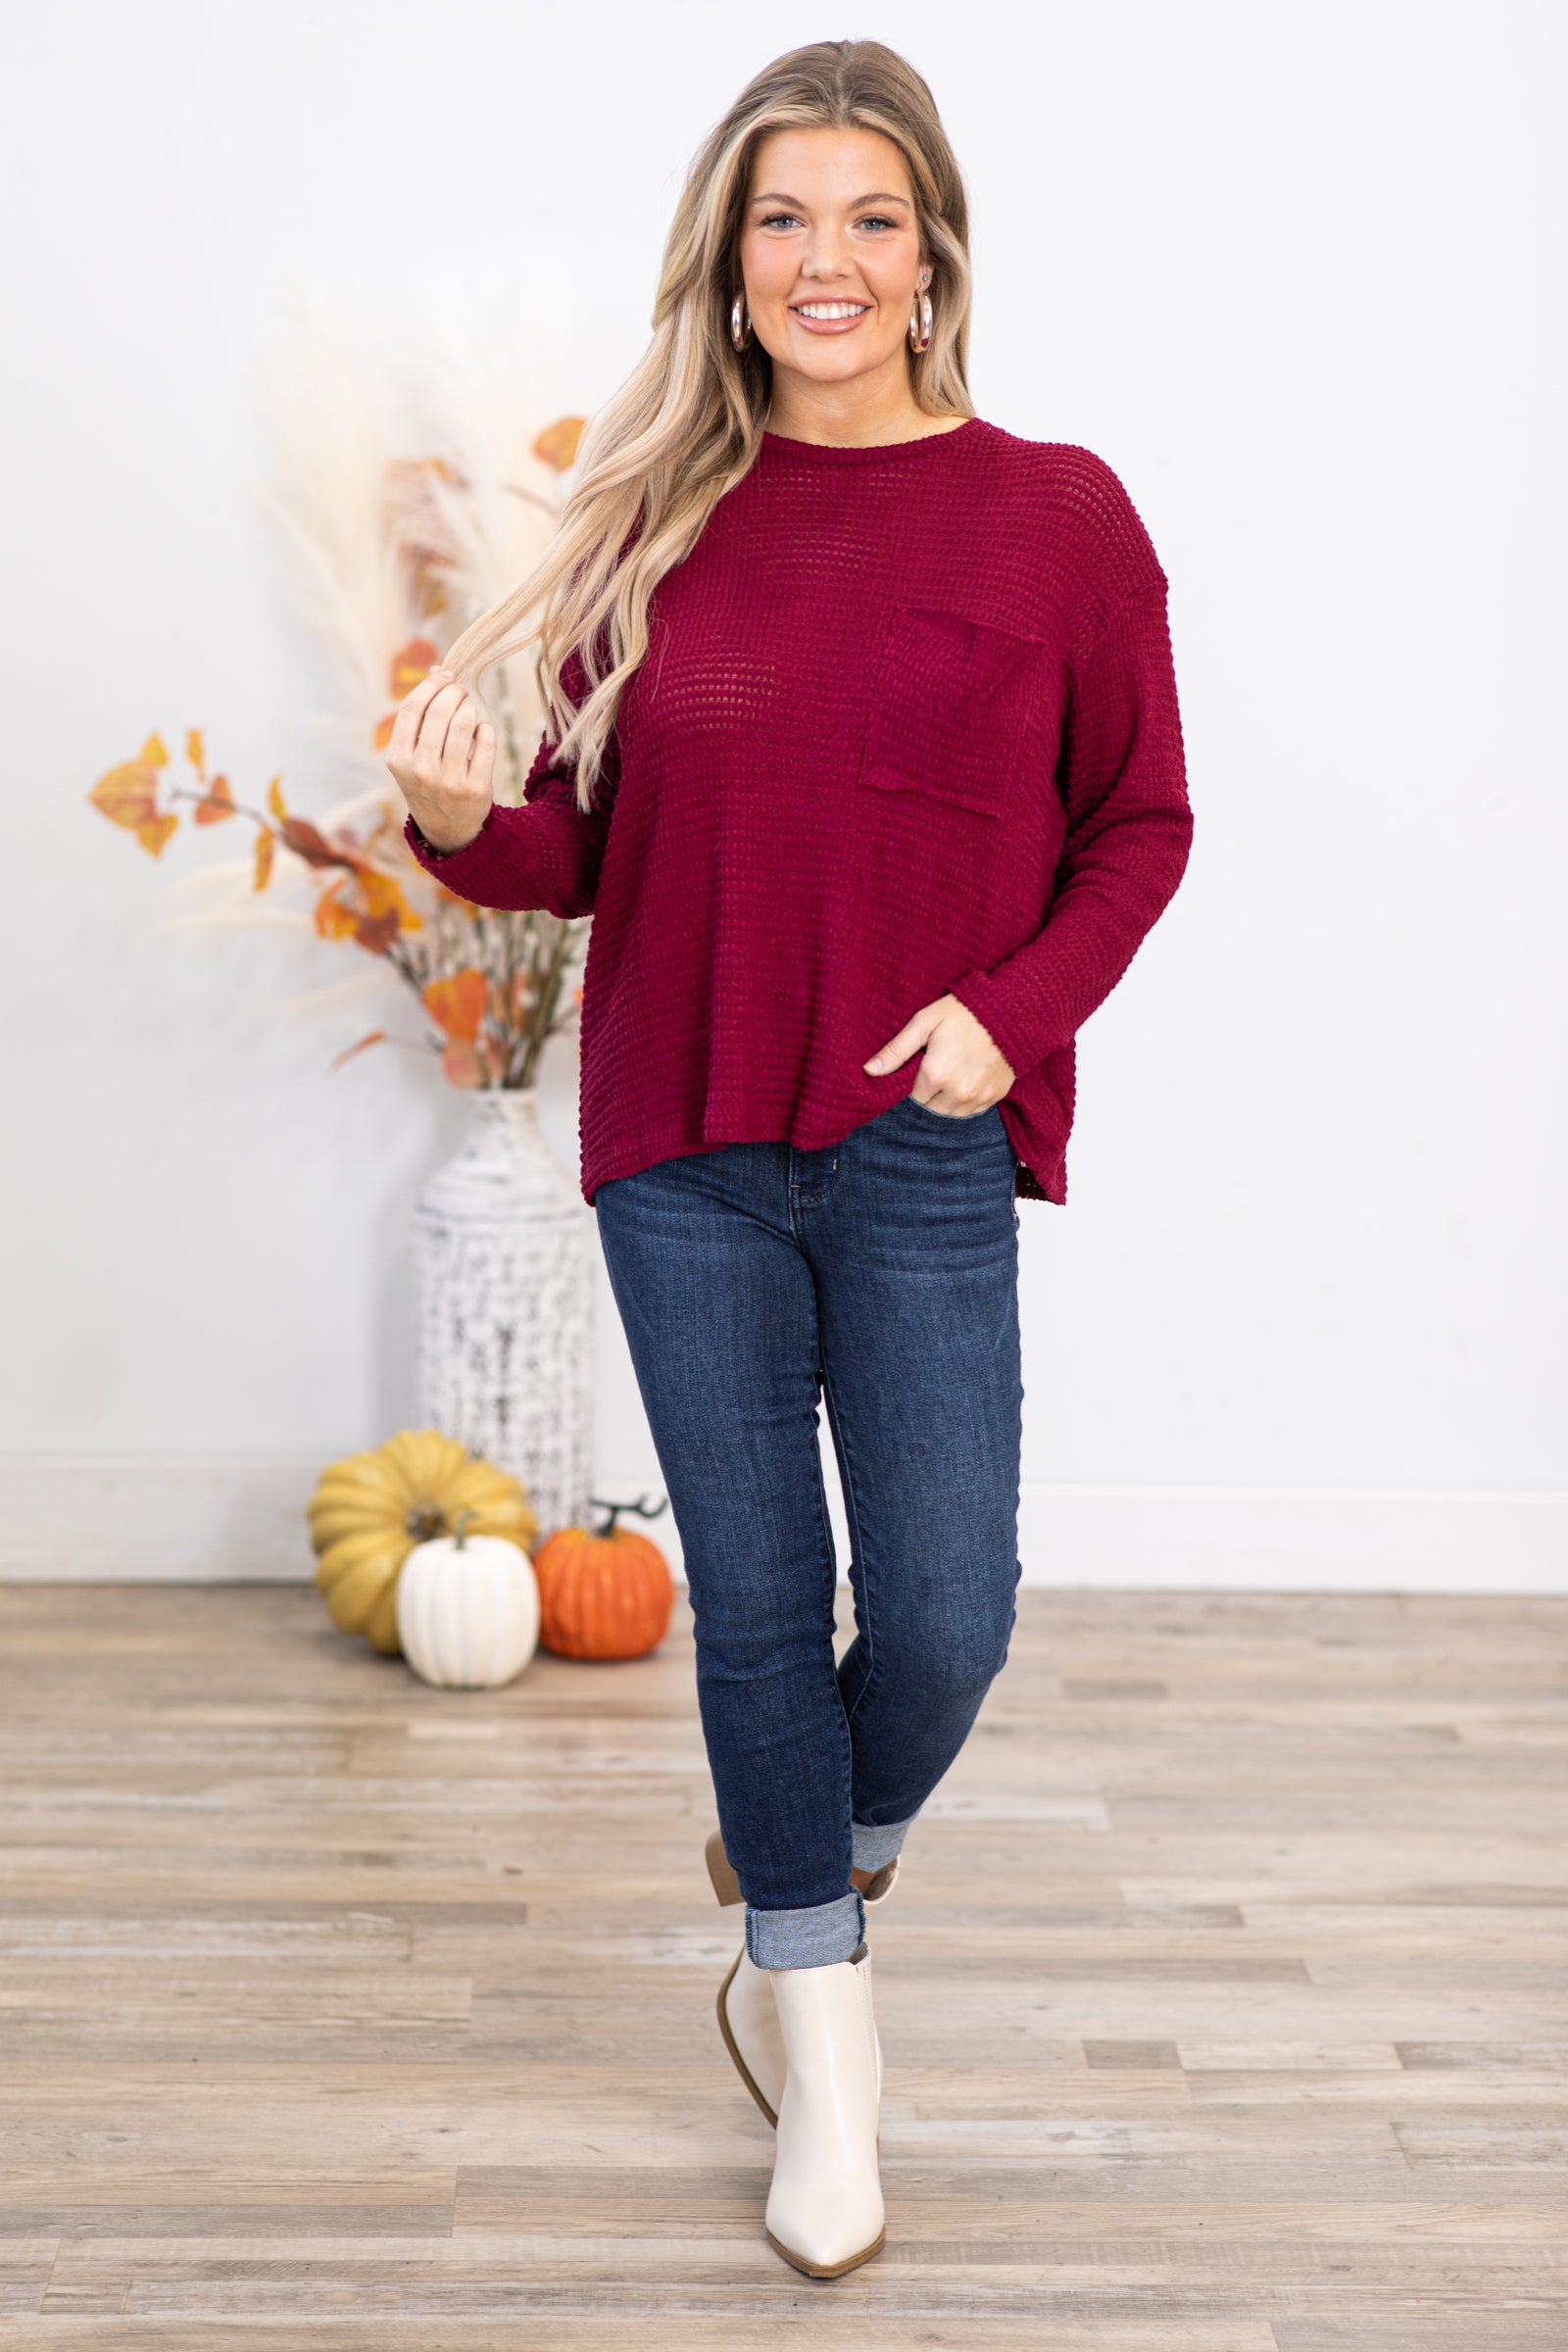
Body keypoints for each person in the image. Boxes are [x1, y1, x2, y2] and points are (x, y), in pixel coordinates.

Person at [385, 37, 1193, 2281]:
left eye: (866, 216)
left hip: (918, 1133)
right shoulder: (647, 523)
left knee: (940, 1613)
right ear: (728, 263)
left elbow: (1139, 822)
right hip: (682, 1138)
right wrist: (453, 818)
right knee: (752, 1607)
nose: (823, 260)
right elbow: (576, 854)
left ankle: (801, 1886)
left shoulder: (1056, 515)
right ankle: (821, 2056)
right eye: (779, 219)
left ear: (930, 254)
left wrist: (1004, 1018)